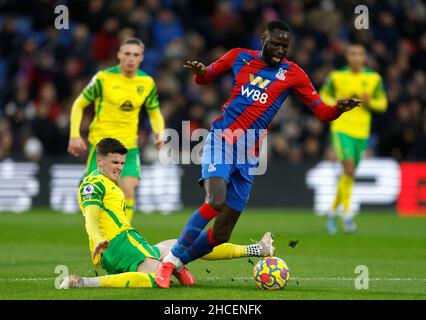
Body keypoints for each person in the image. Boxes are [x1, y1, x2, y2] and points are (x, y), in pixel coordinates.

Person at [155, 20, 361, 288]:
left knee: (221, 233)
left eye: (285, 46)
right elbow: (206, 77)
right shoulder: (239, 56)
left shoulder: (294, 74)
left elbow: (322, 112)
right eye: (276, 43)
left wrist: (338, 109)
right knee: (215, 199)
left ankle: (180, 263)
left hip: (249, 154)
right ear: (263, 38)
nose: (280, 50)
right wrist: (199, 72)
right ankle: (168, 261)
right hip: (222, 140)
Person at [60, 137, 276, 289]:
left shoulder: (109, 183)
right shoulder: (94, 183)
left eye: (122, 163)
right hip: (118, 244)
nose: (119, 168)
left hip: (120, 245)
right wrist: (98, 239)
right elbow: (91, 215)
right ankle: (84, 283)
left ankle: (258, 249)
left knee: (179, 243)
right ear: (100, 161)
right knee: (158, 278)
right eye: (114, 162)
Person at [68, 37, 165, 223]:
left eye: (135, 55)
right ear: (119, 55)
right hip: (101, 145)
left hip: (128, 146)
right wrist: (74, 135)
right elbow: (79, 104)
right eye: (127, 54)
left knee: (128, 190)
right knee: (98, 194)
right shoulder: (103, 78)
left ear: (141, 58)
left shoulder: (146, 82)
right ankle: (99, 232)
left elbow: (154, 113)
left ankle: (122, 234)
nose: (131, 58)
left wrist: (160, 132)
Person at [320, 44, 388, 234]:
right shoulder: (336, 77)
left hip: (362, 133)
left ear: (365, 57)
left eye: (360, 54)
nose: (356, 57)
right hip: (341, 128)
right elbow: (322, 96)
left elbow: (383, 104)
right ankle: (348, 216)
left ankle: (333, 211)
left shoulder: (374, 78)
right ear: (347, 57)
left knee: (348, 174)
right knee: (349, 169)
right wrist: (338, 103)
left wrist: (370, 103)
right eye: (353, 54)